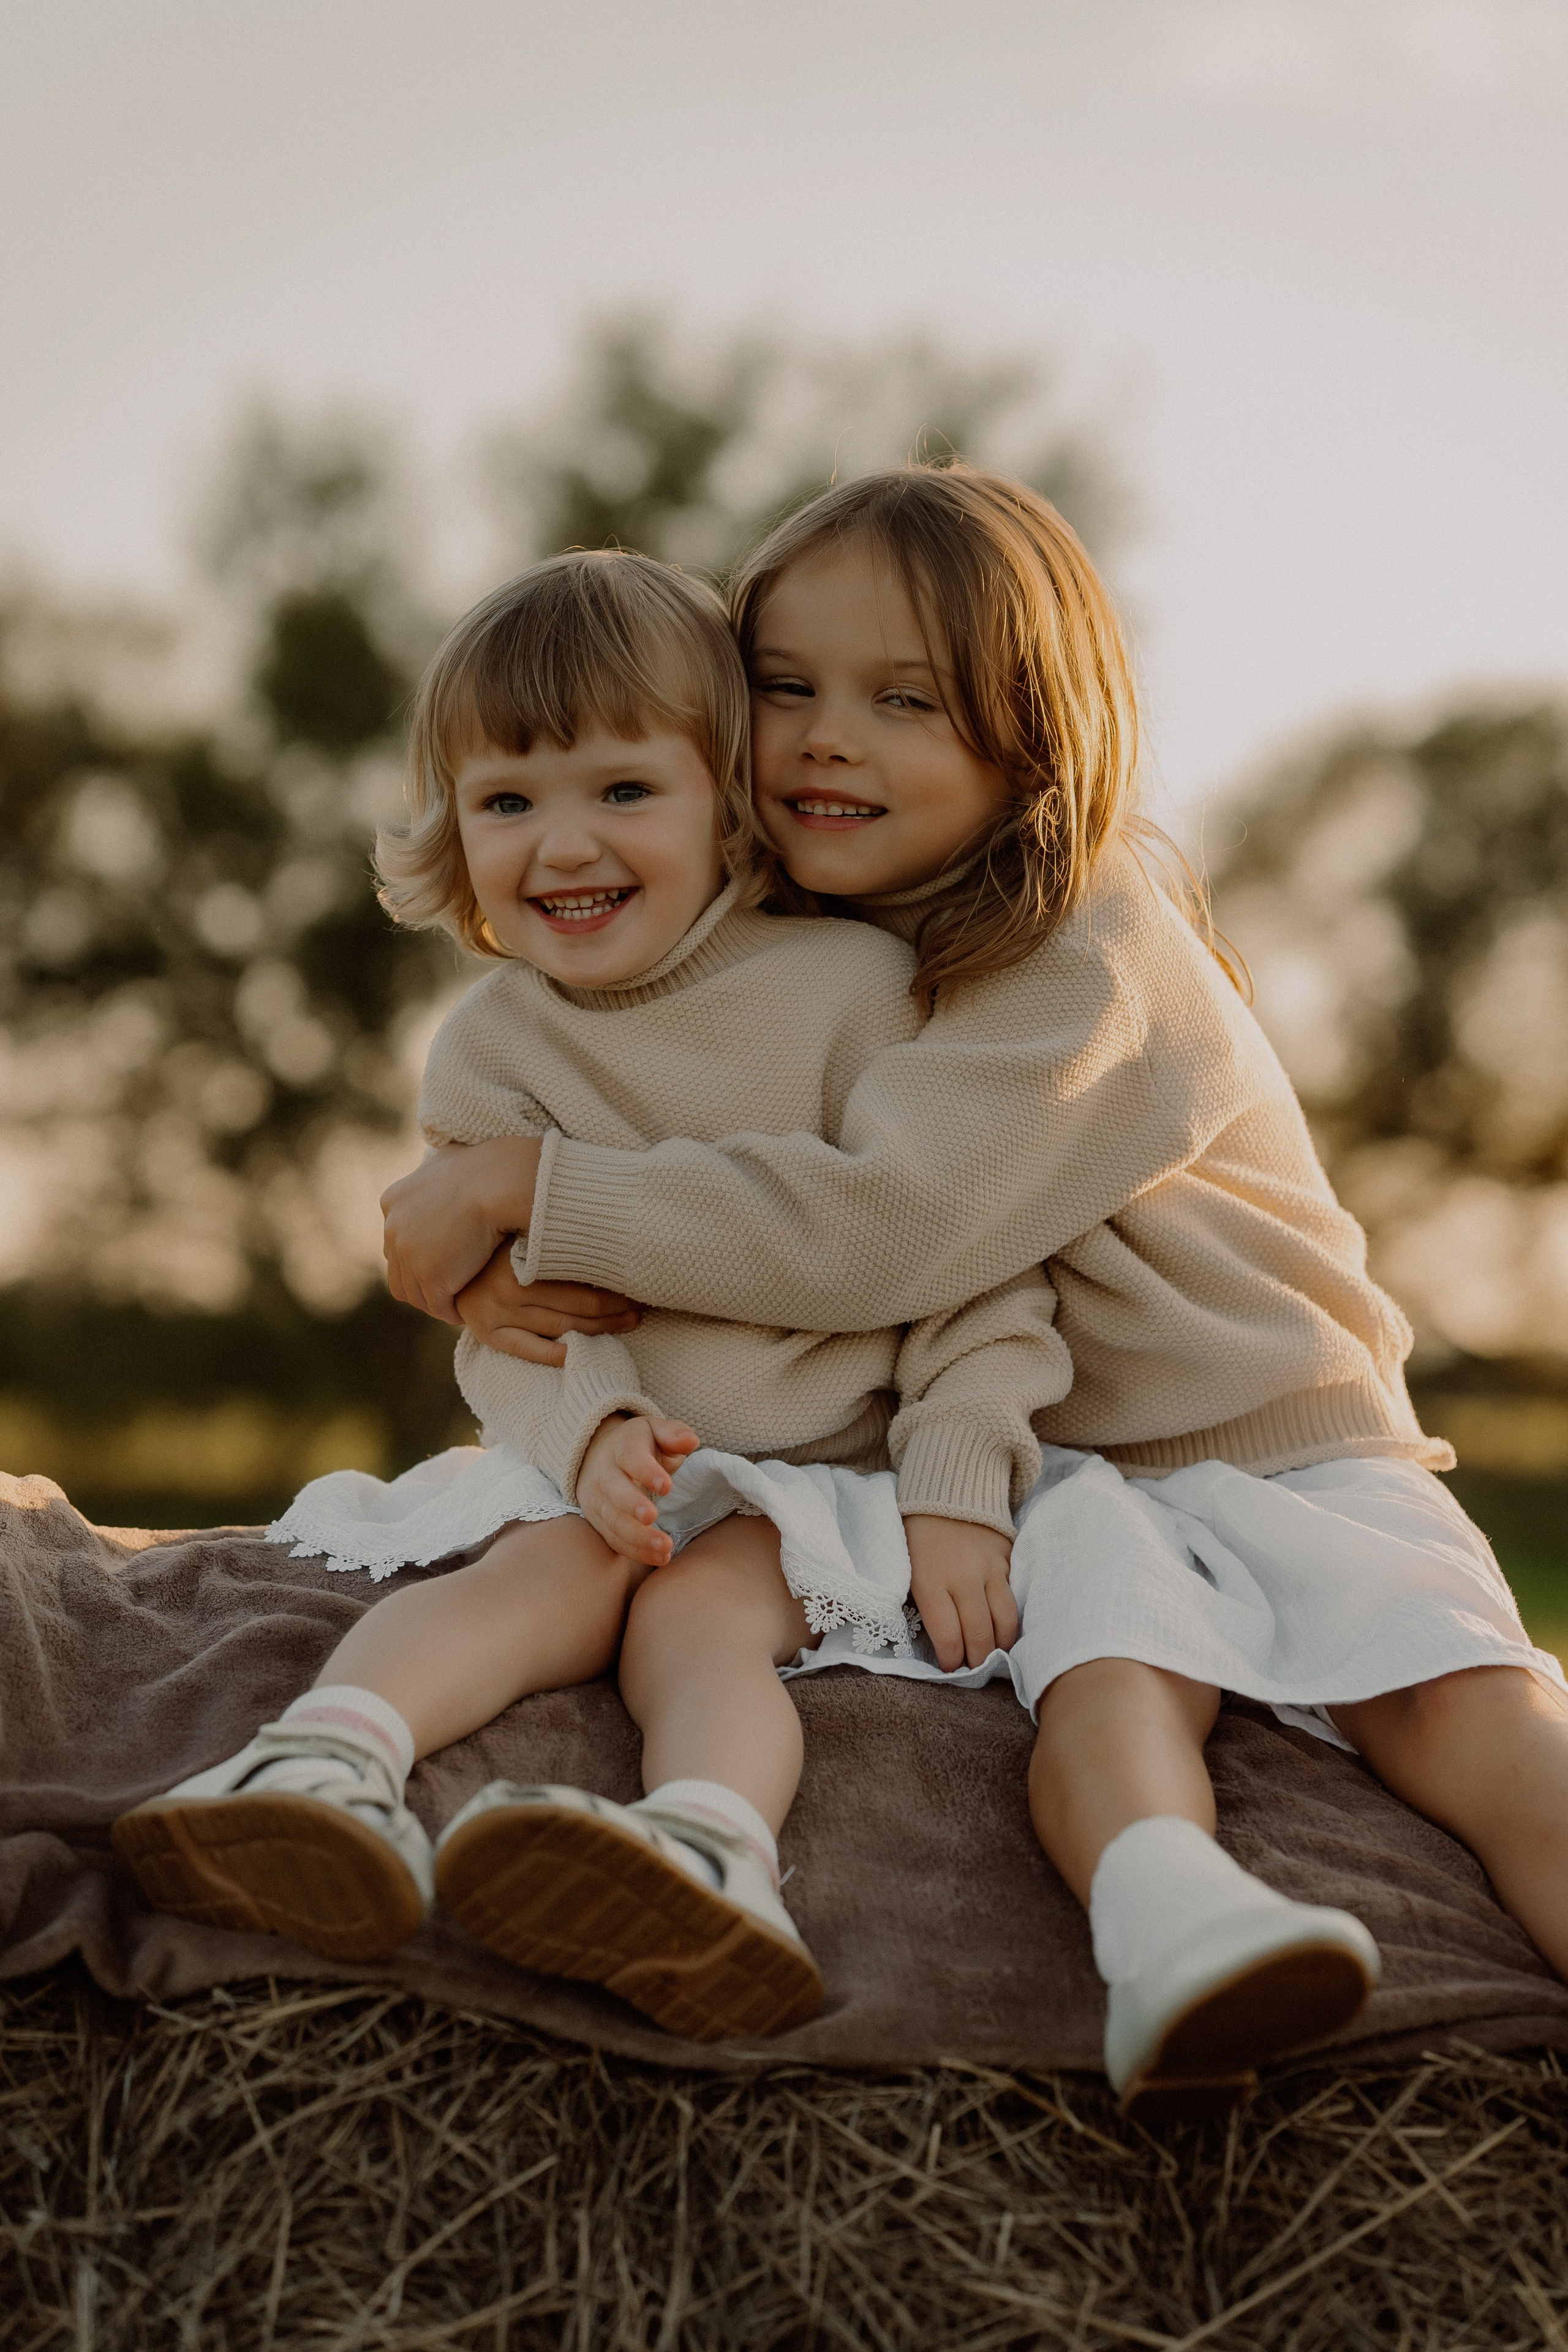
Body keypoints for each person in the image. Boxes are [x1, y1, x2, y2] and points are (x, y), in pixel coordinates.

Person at [388, 465, 1568, 2119]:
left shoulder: (1088, 939)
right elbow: (680, 1135)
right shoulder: (838, 949)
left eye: (903, 699)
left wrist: (527, 1194)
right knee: (1105, 1713)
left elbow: (881, 1232)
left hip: (1289, 1446)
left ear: (1034, 736)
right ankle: (1179, 1928)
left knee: (1471, 1721)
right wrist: (465, 1242)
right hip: (1078, 1477)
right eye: (785, 688)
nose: (823, 739)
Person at [113, 548, 1063, 2042]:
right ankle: (321, 1767)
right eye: (507, 804)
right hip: (606, 1460)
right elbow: (506, 1330)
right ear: (454, 832)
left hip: (811, 1475)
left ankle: (705, 1851)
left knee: (693, 1623)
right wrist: (589, 1436)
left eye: (622, 792)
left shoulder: (851, 999)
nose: (561, 846)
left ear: (730, 799)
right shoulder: (489, 1056)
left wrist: (955, 1480)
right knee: (534, 1576)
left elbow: (966, 1270)